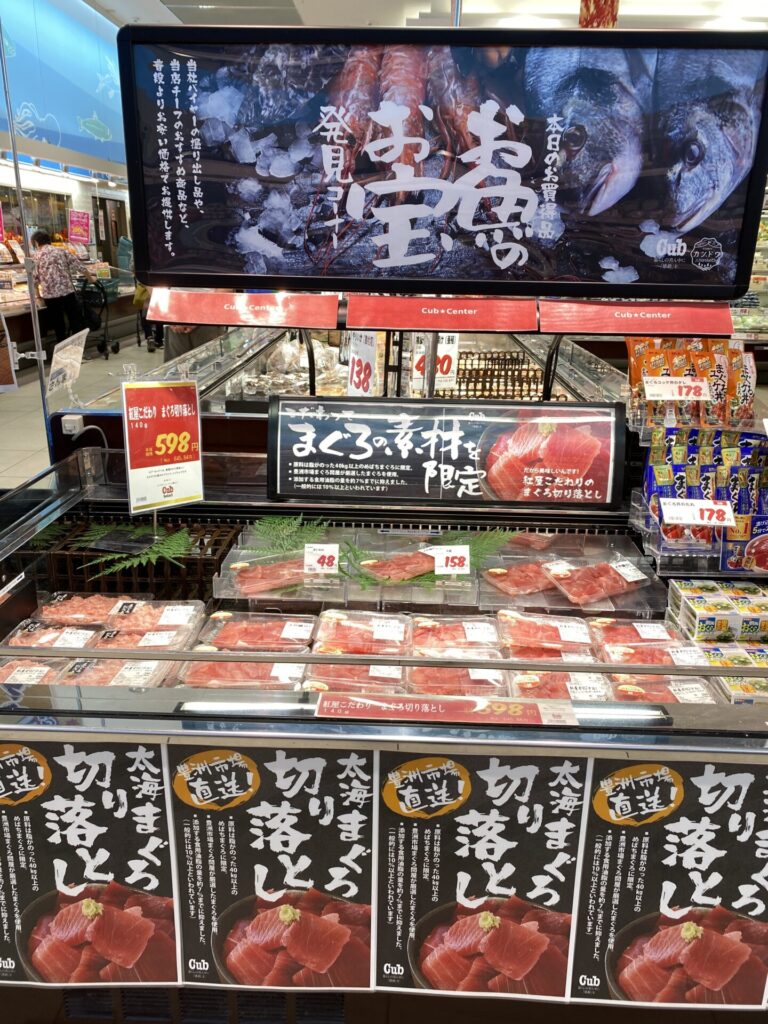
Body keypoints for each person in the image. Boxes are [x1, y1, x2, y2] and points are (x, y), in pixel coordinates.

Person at [31, 230, 95, 342]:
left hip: (50, 295)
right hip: (67, 291)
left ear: (36, 243)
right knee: (74, 319)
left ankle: (62, 347)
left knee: (58, 323)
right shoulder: (61, 251)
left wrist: (38, 296)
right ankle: (78, 347)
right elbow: (79, 266)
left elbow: (34, 279)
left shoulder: (36, 257)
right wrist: (91, 279)